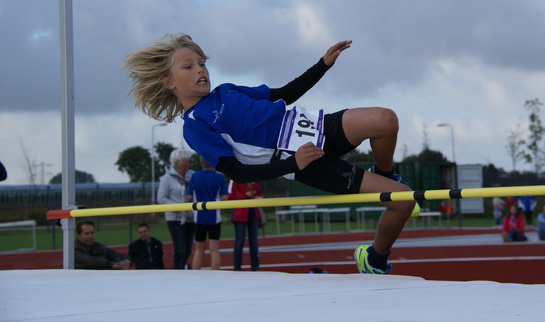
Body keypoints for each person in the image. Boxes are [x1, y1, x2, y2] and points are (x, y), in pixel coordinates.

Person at [124, 34, 417, 275]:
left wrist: (322, 65)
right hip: (305, 162)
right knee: (403, 201)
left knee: (385, 120)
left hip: (315, 127)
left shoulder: (227, 90)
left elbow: (284, 94)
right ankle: (374, 259)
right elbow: (236, 171)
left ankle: (385, 173)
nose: (201, 69)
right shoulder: (196, 126)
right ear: (169, 82)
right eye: (189, 66)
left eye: (202, 63)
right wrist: (293, 163)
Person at [186, 157, 229, 270]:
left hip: (199, 217)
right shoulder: (219, 177)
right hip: (214, 217)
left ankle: (195, 275)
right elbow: (225, 197)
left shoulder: (195, 176)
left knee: (198, 250)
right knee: (214, 250)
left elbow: (189, 196)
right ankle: (216, 275)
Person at [157, 148, 195, 269]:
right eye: (186, 162)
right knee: (180, 249)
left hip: (190, 217)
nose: (188, 164)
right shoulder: (166, 179)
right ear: (177, 163)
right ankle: (177, 272)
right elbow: (161, 198)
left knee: (188, 249)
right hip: (175, 218)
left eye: (188, 161)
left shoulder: (192, 175)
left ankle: (183, 269)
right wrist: (177, 207)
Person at [228, 179, 263, 271]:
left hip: (253, 213)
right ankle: (237, 268)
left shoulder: (256, 181)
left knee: (254, 242)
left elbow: (259, 194)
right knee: (239, 241)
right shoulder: (237, 180)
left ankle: (255, 268)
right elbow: (231, 197)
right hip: (240, 214)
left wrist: (259, 197)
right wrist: (245, 195)